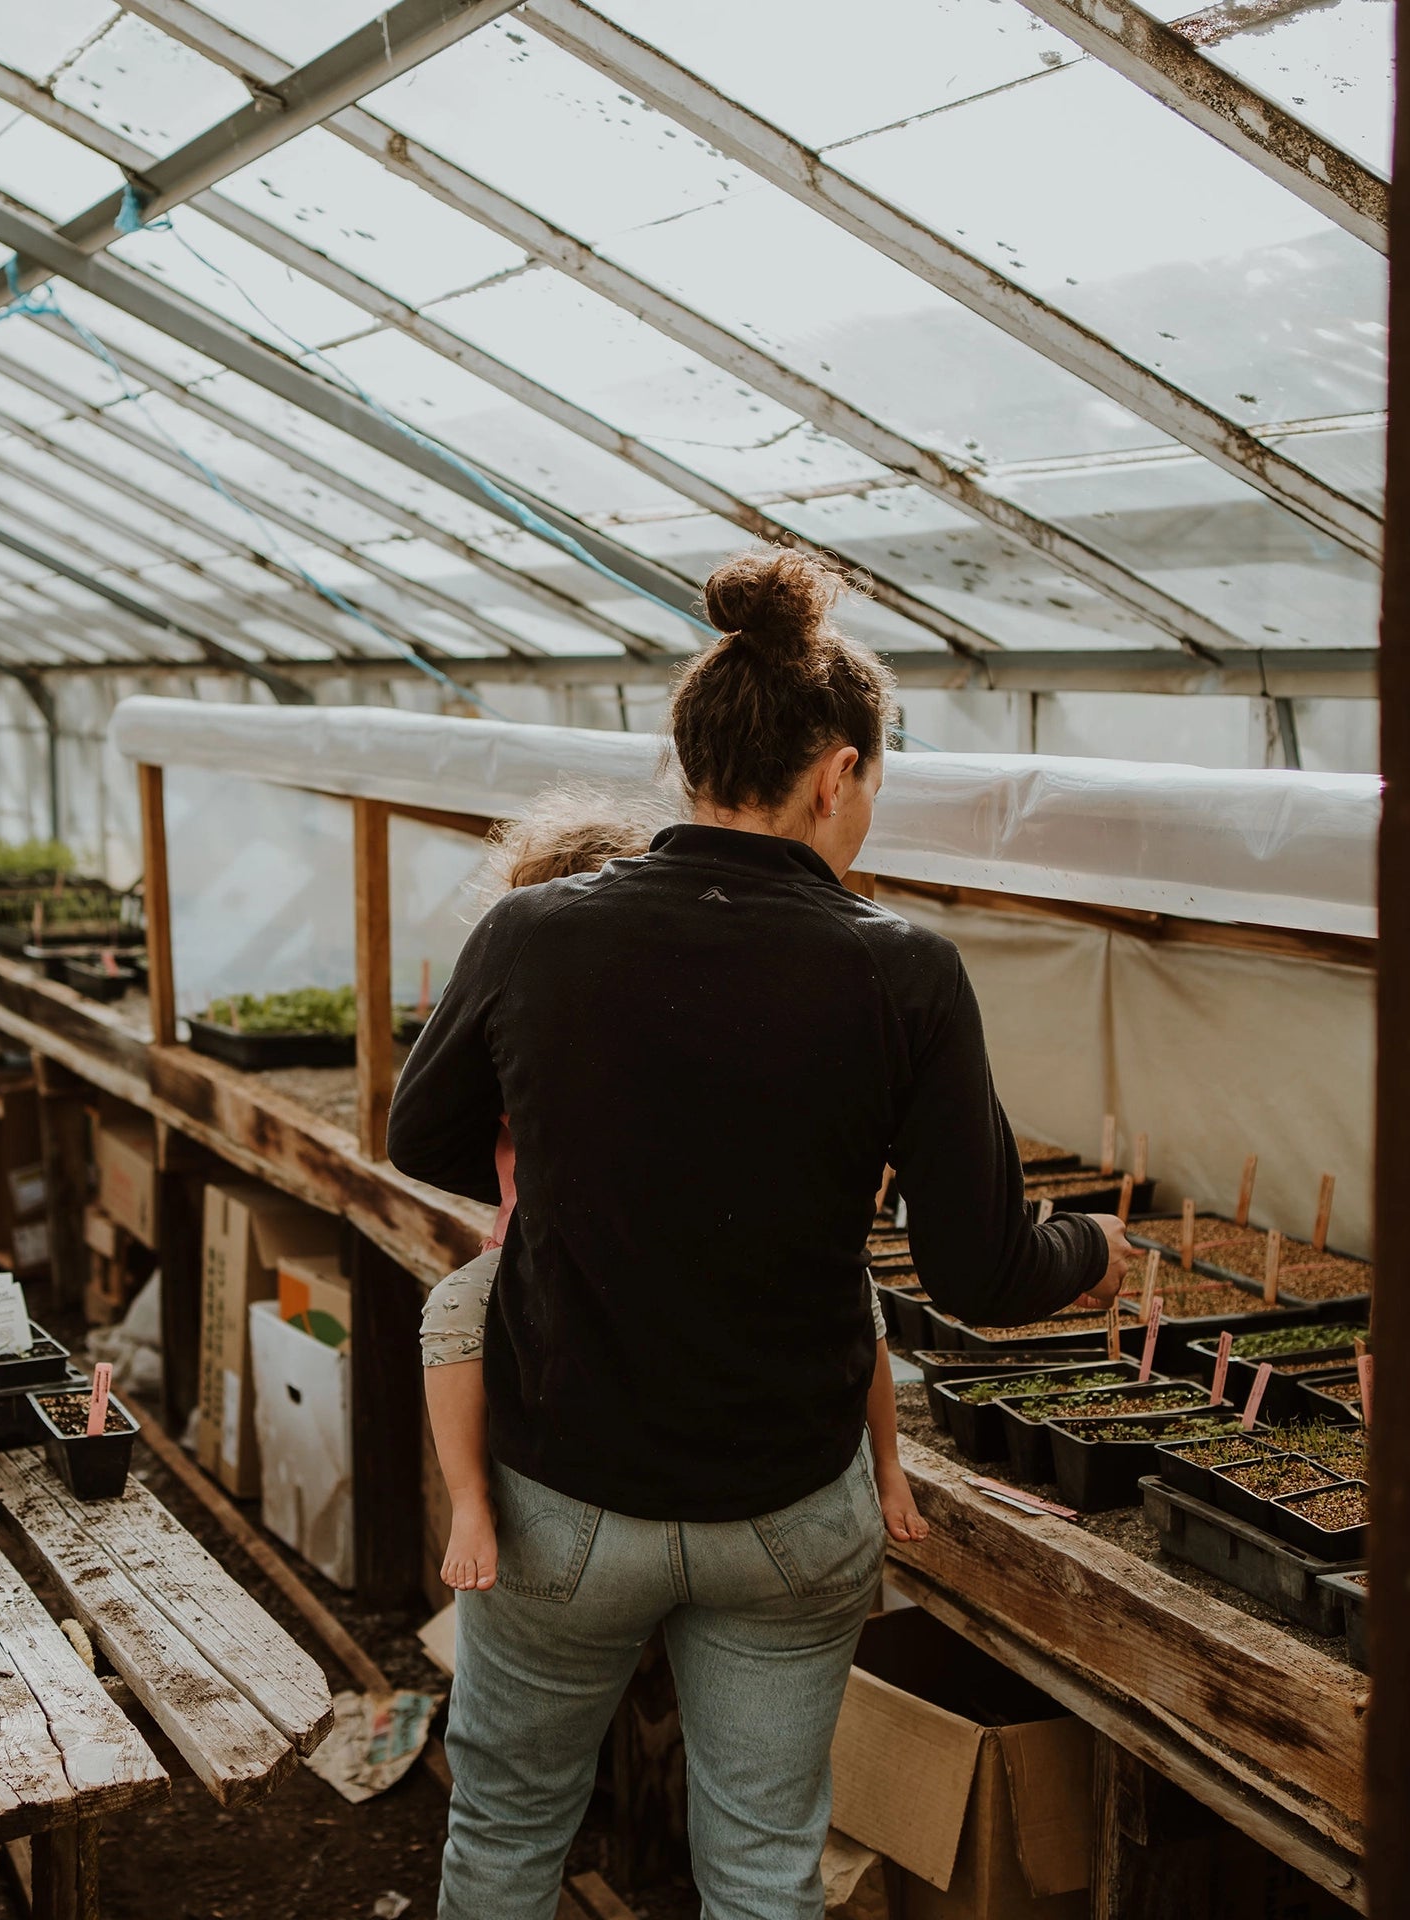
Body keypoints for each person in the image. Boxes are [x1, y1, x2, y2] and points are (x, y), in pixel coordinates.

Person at [390, 547, 1128, 1920]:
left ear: (688, 760)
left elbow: (421, 1138)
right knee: (766, 1867)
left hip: (565, 1501)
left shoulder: (536, 934)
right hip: (786, 1511)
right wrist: (1094, 1252)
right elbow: (980, 1268)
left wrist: (576, 1171)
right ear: (838, 772)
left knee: (504, 1837)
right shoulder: (902, 970)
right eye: (873, 789)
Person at [418, 788, 931, 1595]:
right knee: (458, 1310)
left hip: (587, 1322)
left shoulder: (548, 977)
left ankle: (888, 1467)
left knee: (458, 1313)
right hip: (704, 1362)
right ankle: (469, 1502)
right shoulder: (573, 1011)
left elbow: (423, 1133)